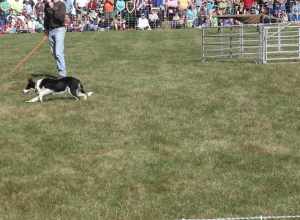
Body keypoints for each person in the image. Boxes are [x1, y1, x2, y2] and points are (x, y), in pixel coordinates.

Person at [44, 0, 67, 77]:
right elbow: (46, 18)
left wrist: (53, 7)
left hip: (59, 29)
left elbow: (60, 18)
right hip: (51, 31)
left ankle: (62, 74)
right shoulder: (47, 5)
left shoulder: (61, 4)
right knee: (54, 53)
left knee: (58, 52)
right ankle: (60, 71)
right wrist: (46, 29)